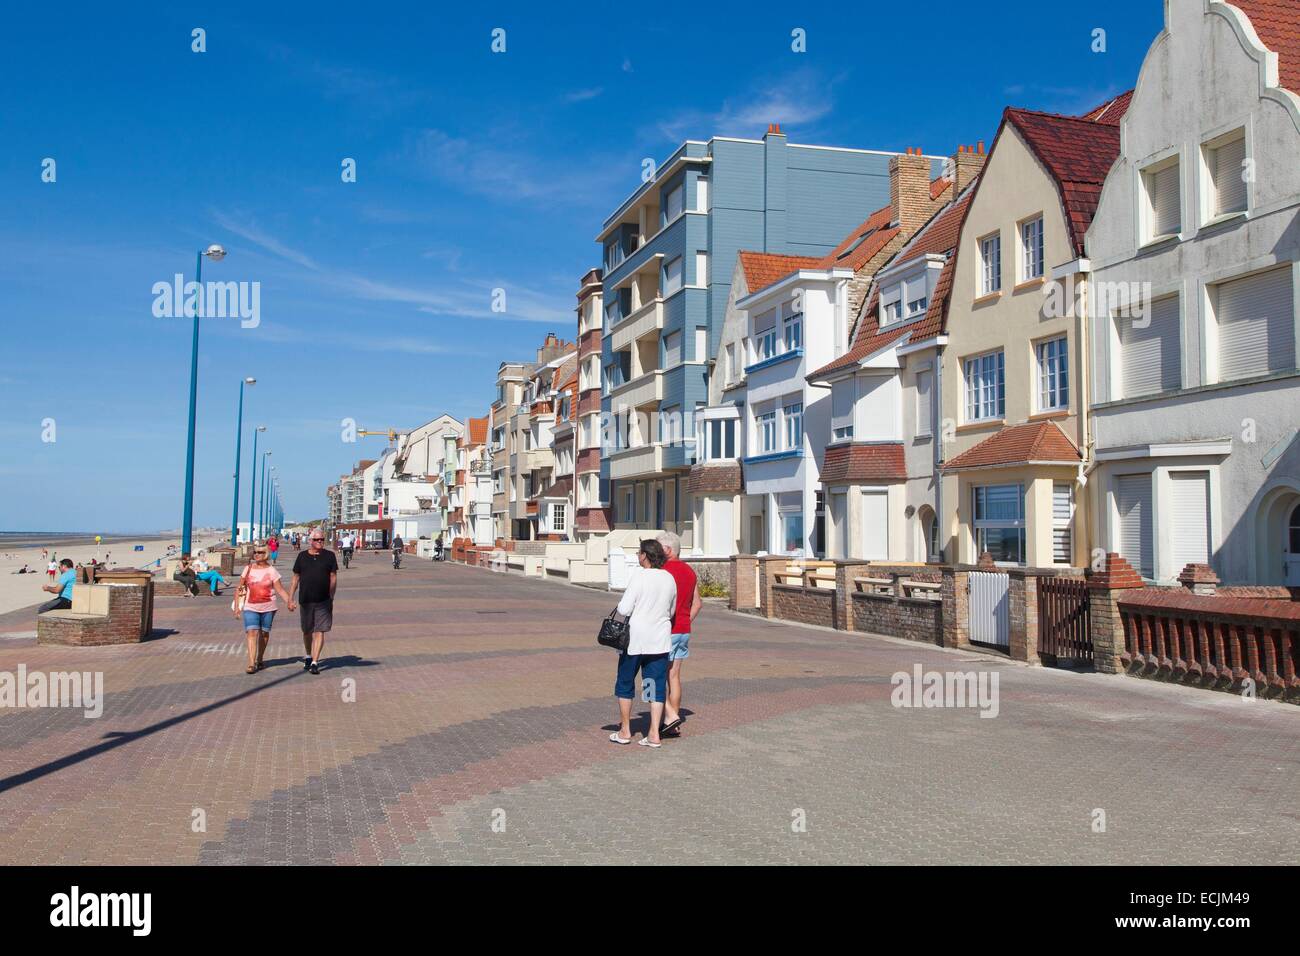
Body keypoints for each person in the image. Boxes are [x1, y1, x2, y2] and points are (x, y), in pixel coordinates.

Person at [609, 539, 677, 749]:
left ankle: (625, 730)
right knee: (653, 685)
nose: (638, 556)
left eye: (639, 552)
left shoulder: (639, 576)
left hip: (636, 640)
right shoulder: (669, 578)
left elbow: (624, 608)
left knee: (625, 682)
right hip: (659, 640)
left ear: (645, 555)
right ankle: (654, 733)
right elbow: (671, 610)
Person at [656, 531, 702, 737]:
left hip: (665, 631)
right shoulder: (690, 571)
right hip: (683, 630)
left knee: (654, 676)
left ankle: (668, 717)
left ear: (667, 550)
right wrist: (684, 621)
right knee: (673, 676)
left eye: (657, 548)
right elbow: (698, 604)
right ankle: (673, 721)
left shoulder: (662, 571)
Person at [233, 544, 293, 674]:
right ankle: (251, 663)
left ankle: (260, 658)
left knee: (264, 634)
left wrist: (289, 601)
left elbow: (280, 589)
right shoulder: (248, 569)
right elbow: (239, 588)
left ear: (265, 554)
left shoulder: (272, 571)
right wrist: (237, 607)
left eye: (260, 552)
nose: (256, 554)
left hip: (268, 607)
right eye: (255, 552)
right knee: (252, 632)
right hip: (250, 606)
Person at [289, 531, 338, 675]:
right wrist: (290, 598)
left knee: (319, 630)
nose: (320, 542)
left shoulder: (330, 556)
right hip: (306, 600)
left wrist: (331, 595)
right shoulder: (302, 556)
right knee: (307, 631)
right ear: (310, 540)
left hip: (323, 600)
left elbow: (333, 577)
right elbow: (295, 578)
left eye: (322, 539)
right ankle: (309, 655)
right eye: (317, 539)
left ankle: (315, 662)